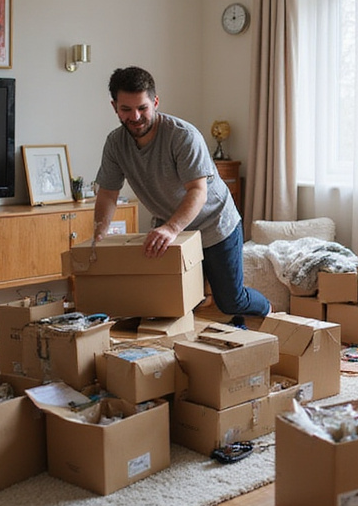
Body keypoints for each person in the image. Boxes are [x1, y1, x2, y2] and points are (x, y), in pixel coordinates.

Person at [93, 66, 270, 322]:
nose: (136, 116)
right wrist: (99, 234)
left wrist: (170, 229)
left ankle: (266, 309)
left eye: (142, 108)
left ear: (155, 102)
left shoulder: (182, 136)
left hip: (214, 223)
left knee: (231, 300)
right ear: (114, 107)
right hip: (171, 225)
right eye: (126, 109)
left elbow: (197, 191)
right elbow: (108, 194)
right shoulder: (115, 143)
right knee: (170, 299)